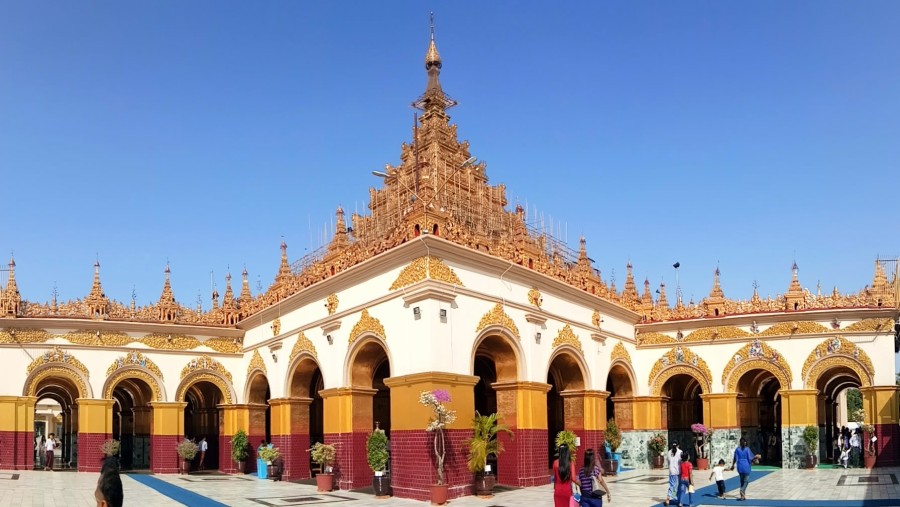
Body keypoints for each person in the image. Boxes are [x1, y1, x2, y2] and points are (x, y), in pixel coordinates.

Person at [730, 437, 761, 501]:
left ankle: (742, 496)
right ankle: (742, 490)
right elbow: (751, 458)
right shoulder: (747, 449)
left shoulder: (737, 449)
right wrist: (756, 457)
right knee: (746, 481)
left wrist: (733, 465)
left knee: (741, 481)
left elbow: (735, 458)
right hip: (746, 466)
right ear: (745, 442)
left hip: (740, 466)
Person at [663, 441, 682, 506]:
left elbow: (668, 461)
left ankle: (668, 498)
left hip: (671, 471)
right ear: (678, 445)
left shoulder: (669, 452)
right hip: (678, 472)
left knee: (672, 485)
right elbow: (681, 462)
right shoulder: (680, 452)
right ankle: (679, 501)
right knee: (678, 486)